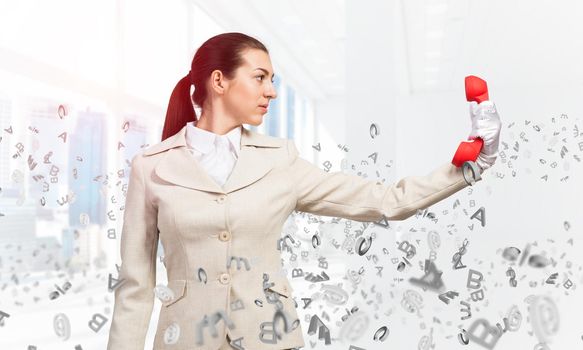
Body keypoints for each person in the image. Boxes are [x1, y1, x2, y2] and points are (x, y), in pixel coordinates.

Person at [106, 32, 501, 350]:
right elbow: (135, 286)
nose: (271, 91)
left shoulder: (281, 160)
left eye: (272, 81)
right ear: (219, 81)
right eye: (259, 77)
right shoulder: (152, 166)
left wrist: (468, 168)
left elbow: (385, 200)